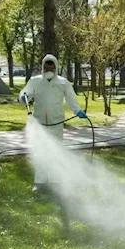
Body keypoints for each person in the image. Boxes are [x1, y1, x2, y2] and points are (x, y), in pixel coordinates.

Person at [19, 54, 86, 191]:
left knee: (56, 151)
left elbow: (71, 99)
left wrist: (77, 110)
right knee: (40, 152)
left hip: (56, 123)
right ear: (43, 67)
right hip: (39, 123)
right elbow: (26, 93)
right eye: (46, 66)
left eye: (51, 66)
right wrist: (23, 96)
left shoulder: (63, 83)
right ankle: (40, 182)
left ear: (55, 67)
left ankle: (55, 181)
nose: (49, 69)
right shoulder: (35, 81)